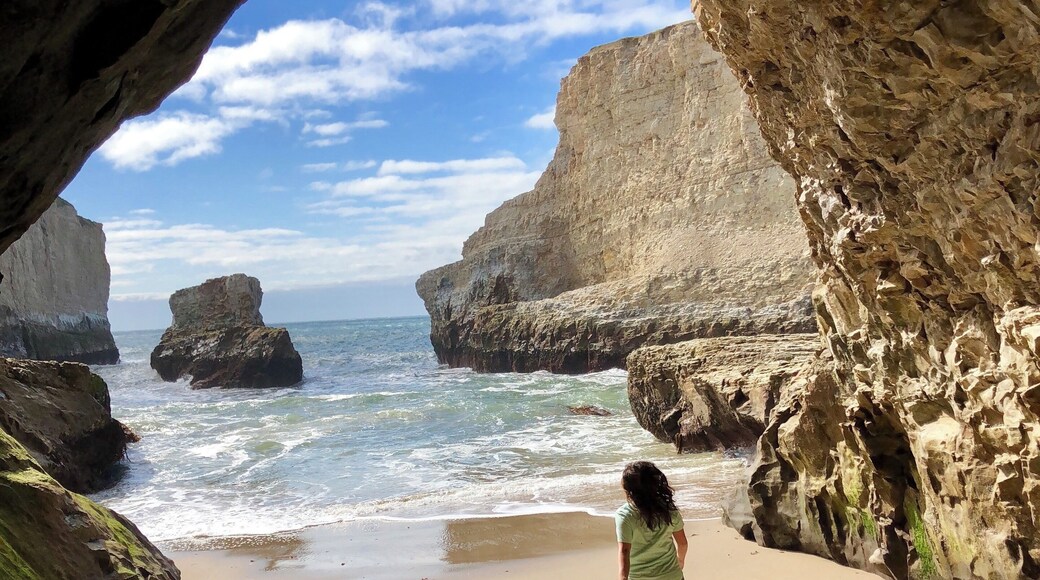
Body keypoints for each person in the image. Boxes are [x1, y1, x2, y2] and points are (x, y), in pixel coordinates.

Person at [615, 461, 687, 580]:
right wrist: (680, 560)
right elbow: (683, 543)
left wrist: (623, 578)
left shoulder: (625, 515)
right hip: (672, 575)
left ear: (628, 489)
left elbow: (625, 550)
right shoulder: (669, 510)